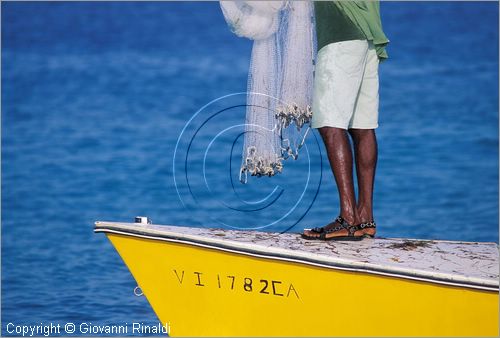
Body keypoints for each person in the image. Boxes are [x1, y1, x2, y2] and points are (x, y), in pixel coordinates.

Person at [302, 1, 389, 241]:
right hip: (368, 36)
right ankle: (365, 218)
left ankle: (348, 217)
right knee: (363, 126)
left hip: (340, 35)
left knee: (330, 124)